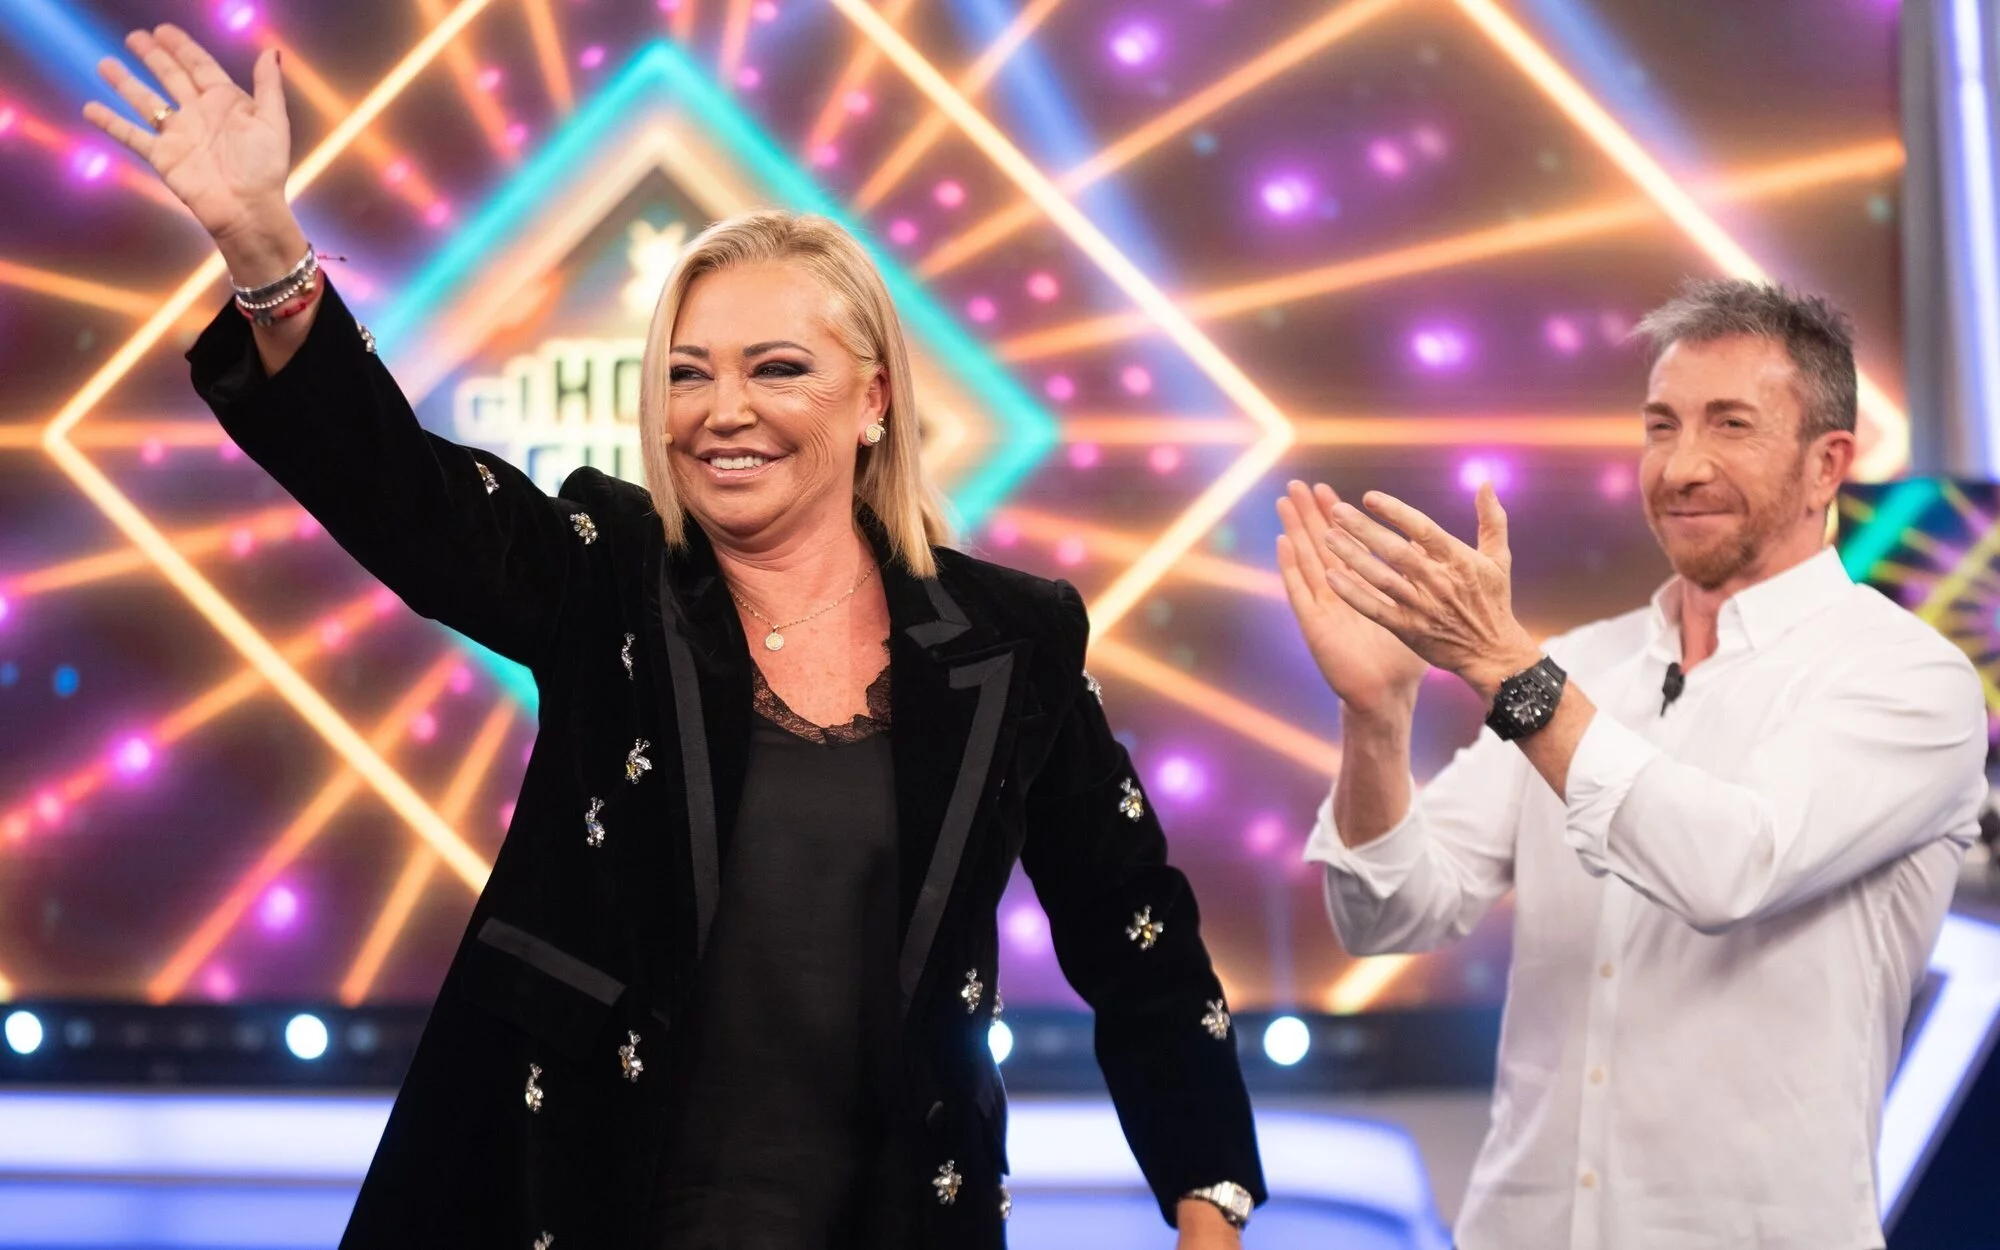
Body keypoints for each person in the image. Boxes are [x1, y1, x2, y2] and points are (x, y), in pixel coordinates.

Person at [85, 25, 1265, 1248]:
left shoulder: (1012, 640)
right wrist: (266, 250)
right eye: (688, 374)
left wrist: (1208, 1203)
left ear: (873, 399)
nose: (722, 411)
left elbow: (1136, 931)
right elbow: (406, 495)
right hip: (571, 1205)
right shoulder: (607, 573)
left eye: (776, 368)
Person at [1275, 278, 1986, 1249]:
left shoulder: (1909, 680)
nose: (1681, 466)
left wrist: (1505, 668)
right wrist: (1376, 717)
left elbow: (1727, 867)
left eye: (1730, 424)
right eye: (1661, 425)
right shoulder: (1581, 667)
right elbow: (1386, 912)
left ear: (1827, 464)